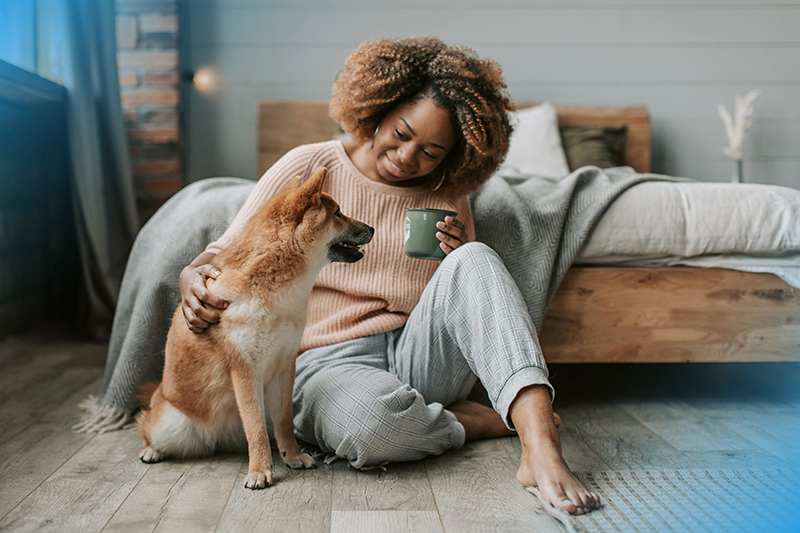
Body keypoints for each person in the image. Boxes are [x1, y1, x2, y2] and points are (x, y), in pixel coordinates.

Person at [179, 36, 600, 515]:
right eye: (401, 133)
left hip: (417, 353)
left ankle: (540, 444)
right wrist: (190, 278)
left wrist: (457, 256)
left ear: (451, 158)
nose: (407, 157)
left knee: (476, 257)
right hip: (324, 363)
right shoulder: (310, 165)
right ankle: (474, 423)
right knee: (373, 428)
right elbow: (224, 253)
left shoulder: (447, 192)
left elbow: (465, 296)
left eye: (431, 151)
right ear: (378, 110)